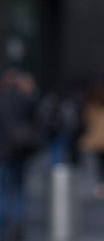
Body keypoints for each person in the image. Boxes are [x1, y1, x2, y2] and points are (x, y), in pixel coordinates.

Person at [0, 70, 41, 241]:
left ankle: (3, 227)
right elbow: (38, 118)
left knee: (3, 190)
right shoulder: (25, 101)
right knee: (19, 190)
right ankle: (17, 224)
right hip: (20, 151)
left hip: (3, 152)